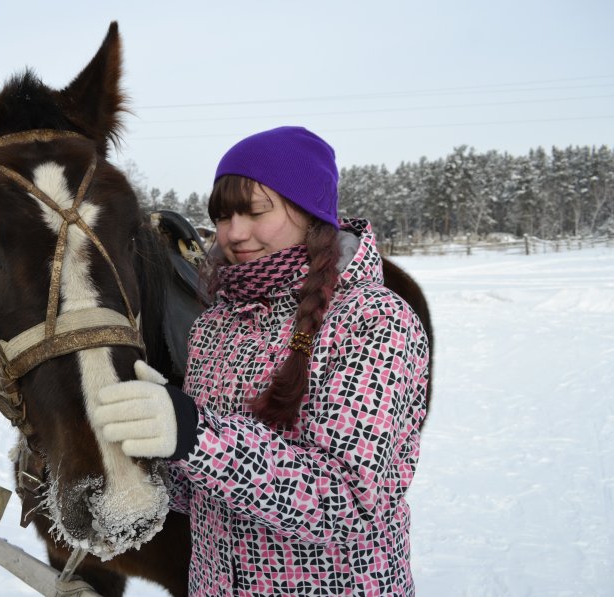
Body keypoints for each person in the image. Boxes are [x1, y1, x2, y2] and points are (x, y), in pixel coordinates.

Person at [91, 126, 430, 596]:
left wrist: (195, 432)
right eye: (223, 215)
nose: (233, 233)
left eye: (254, 212)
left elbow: (350, 502)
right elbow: (202, 496)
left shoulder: (375, 320)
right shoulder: (215, 325)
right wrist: (156, 445)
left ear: (310, 211)